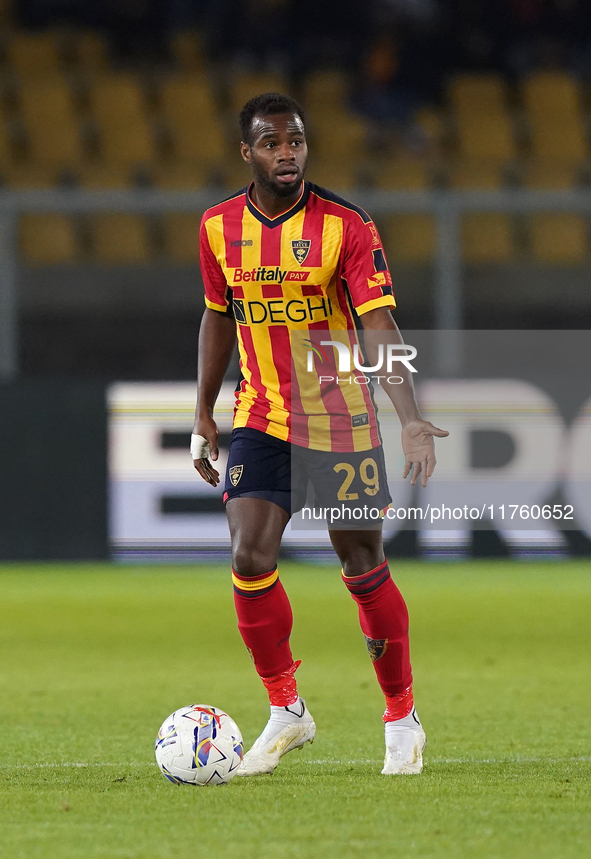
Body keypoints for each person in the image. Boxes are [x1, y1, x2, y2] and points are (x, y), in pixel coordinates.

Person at [192, 92, 448, 776]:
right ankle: (286, 710)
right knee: (249, 556)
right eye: (272, 143)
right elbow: (218, 315)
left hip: (340, 418)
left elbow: (379, 325)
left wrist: (409, 417)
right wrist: (202, 411)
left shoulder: (346, 225)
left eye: (296, 142)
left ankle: (400, 715)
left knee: (361, 565)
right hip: (261, 415)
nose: (287, 153)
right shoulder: (217, 227)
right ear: (247, 152)